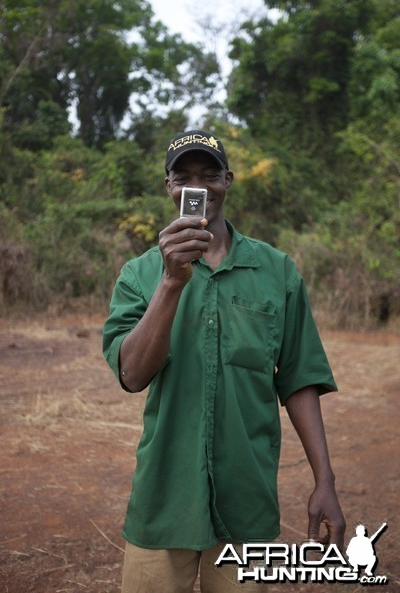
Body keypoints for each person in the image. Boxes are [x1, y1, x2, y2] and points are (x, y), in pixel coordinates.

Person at [102, 129, 346, 592]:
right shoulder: (139, 274)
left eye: (210, 174)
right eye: (183, 177)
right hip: (163, 500)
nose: (199, 187)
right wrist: (172, 282)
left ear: (228, 180)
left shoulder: (277, 271)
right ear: (168, 188)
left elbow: (298, 380)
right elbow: (132, 374)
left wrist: (325, 480)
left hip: (245, 503)